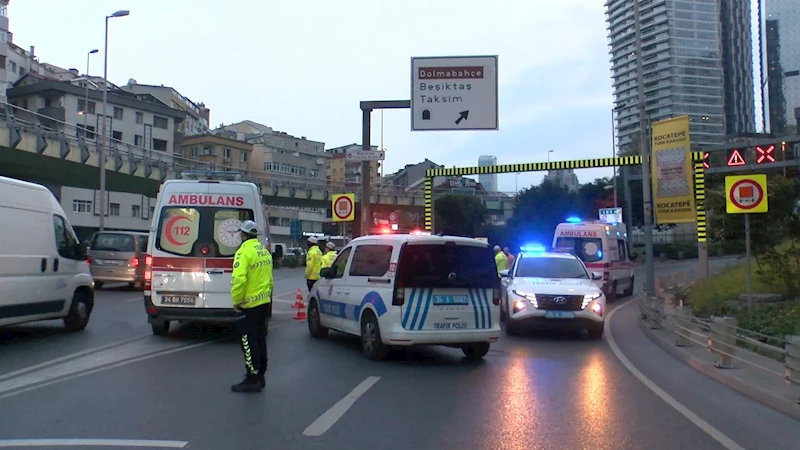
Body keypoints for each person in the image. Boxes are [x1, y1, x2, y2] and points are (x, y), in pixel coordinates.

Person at [230, 220, 273, 393]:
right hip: (263, 303)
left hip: (249, 305)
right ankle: (261, 374)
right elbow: (269, 279)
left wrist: (236, 300)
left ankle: (252, 377)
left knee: (247, 341)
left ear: (243, 234)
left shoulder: (243, 252)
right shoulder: (264, 252)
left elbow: (239, 279)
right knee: (260, 339)